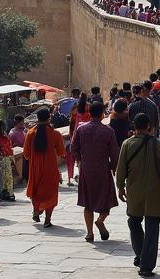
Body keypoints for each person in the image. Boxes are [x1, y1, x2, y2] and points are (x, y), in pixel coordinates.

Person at [115, 113, 160, 277]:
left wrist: (120, 187)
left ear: (135, 126)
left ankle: (140, 253)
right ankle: (146, 264)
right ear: (149, 125)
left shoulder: (127, 144)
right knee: (152, 227)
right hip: (154, 194)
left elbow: (120, 171)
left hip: (135, 193)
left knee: (133, 222)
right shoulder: (158, 145)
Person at [69, 99, 119, 242]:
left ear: (89, 113)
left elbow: (73, 148)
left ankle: (89, 233)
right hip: (103, 168)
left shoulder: (81, 128)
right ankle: (101, 220)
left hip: (86, 168)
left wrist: (80, 160)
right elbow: (114, 153)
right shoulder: (108, 131)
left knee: (88, 202)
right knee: (107, 198)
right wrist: (114, 167)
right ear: (103, 114)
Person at [24, 107, 65, 226]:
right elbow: (61, 152)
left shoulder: (30, 133)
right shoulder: (55, 133)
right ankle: (47, 220)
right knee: (51, 193)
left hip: (35, 168)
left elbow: (26, 154)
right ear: (49, 117)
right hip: (50, 168)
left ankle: (36, 211)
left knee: (35, 190)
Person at [67, 92, 89, 184]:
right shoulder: (88, 109)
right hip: (87, 137)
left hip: (76, 137)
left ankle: (73, 178)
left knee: (77, 159)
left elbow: (72, 126)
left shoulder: (75, 110)